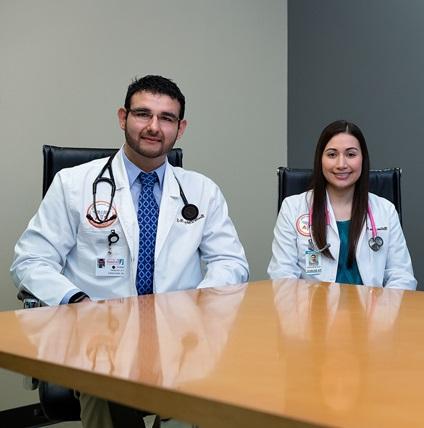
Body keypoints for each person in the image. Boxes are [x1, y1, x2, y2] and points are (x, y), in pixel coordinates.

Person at [11, 75, 249, 427]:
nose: (154, 127)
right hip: (99, 336)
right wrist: (76, 301)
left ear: (180, 128)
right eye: (143, 114)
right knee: (105, 384)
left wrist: (195, 305)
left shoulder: (203, 191)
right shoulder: (74, 185)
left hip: (179, 334)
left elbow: (230, 262)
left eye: (166, 118)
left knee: (232, 380)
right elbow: (31, 259)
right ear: (123, 118)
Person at [268, 120, 416, 290]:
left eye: (351, 154)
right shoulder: (292, 208)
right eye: (332, 155)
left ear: (363, 159)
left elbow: (401, 276)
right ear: (320, 160)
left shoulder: (386, 210)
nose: (341, 164)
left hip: (374, 314)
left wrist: (381, 314)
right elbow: (282, 277)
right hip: (311, 313)